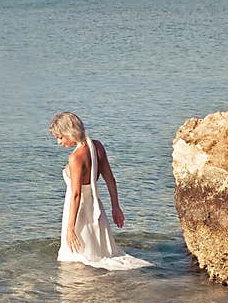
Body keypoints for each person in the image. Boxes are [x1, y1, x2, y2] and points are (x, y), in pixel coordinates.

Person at [48, 112, 151, 270]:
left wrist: (70, 229)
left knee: (76, 260)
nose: (58, 142)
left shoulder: (75, 158)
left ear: (69, 132)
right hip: (96, 208)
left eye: (60, 137)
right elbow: (110, 179)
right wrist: (115, 207)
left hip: (79, 213)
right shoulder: (97, 146)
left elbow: (76, 195)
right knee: (99, 254)